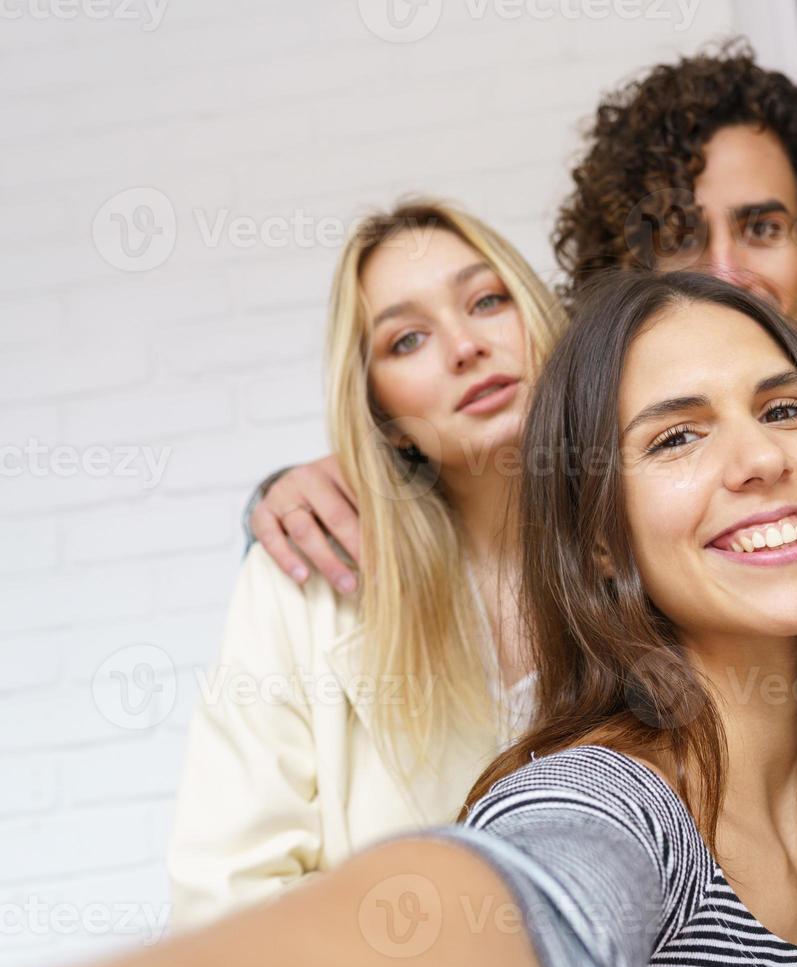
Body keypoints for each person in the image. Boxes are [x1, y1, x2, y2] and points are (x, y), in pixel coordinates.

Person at [64, 270, 797, 967]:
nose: (761, 455)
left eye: (784, 407)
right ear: (599, 541)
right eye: (677, 436)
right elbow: (515, 895)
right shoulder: (612, 807)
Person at [244, 43, 797, 592]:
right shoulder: (590, 423)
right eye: (681, 235)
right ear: (629, 260)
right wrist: (291, 496)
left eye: (761, 227)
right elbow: (460, 489)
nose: (724, 271)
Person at [166, 201, 567, 928]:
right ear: (381, 412)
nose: (465, 346)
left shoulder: (663, 542)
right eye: (408, 339)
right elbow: (227, 898)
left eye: (487, 300)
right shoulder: (298, 589)